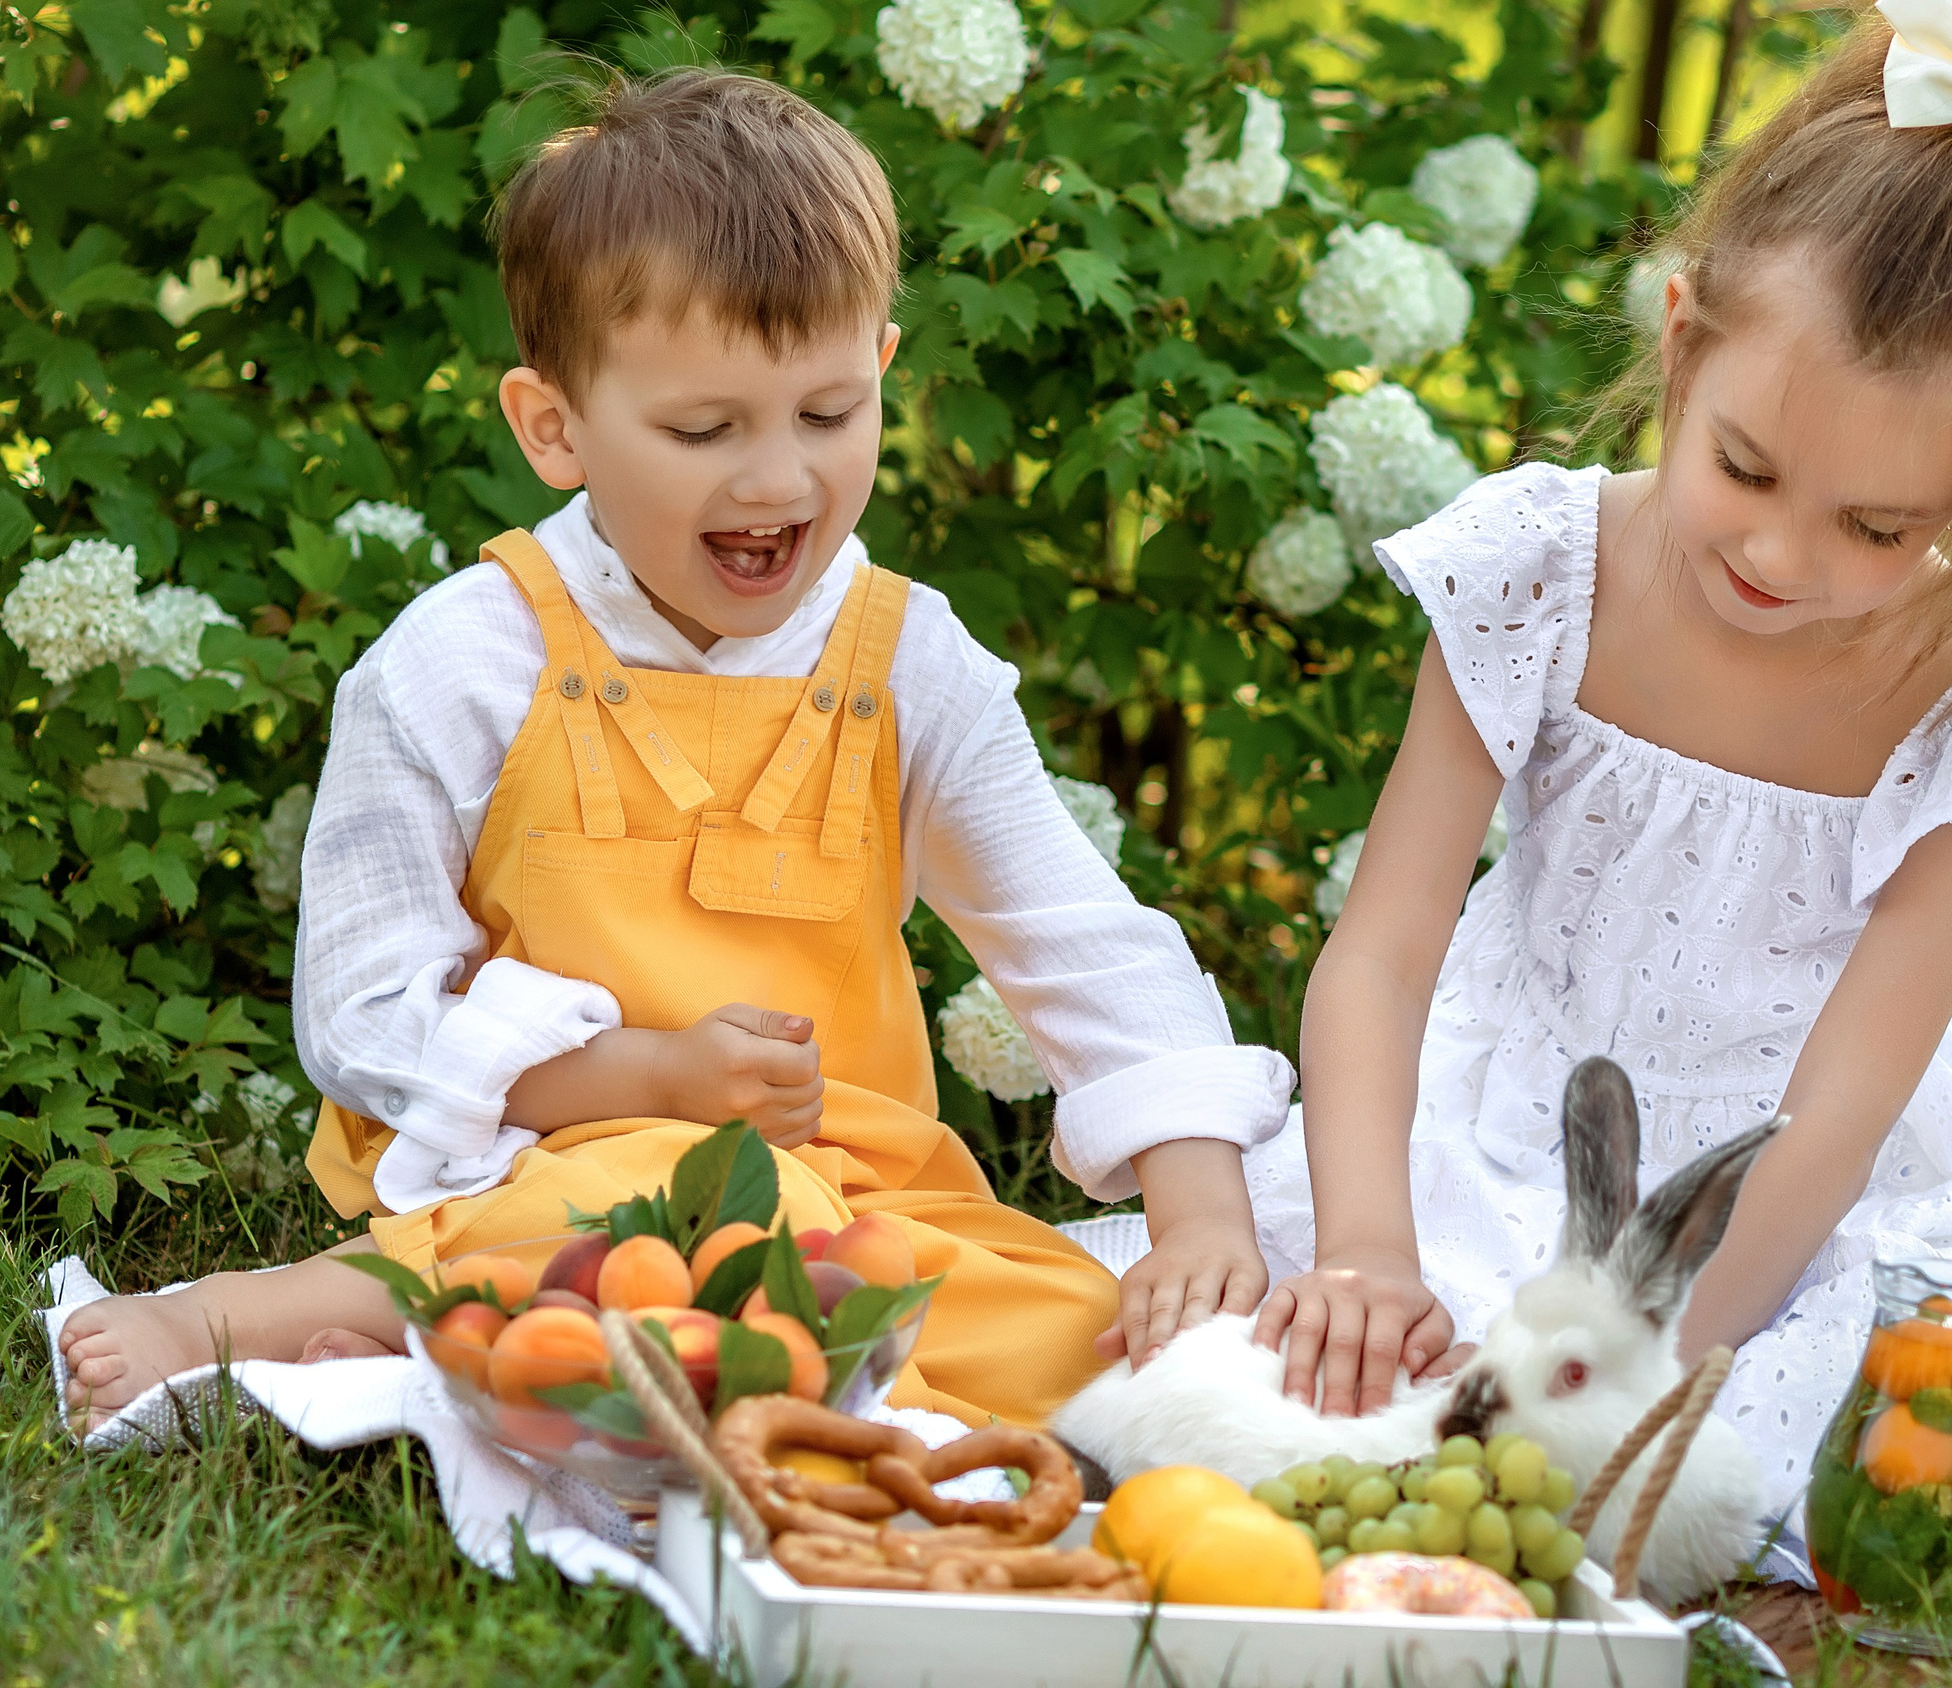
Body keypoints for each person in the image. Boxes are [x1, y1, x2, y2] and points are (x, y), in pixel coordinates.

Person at [58, 69, 1292, 1431]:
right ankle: (257, 1315)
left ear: (882, 368)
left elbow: (1081, 941)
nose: (778, 479)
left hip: (857, 1204)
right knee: (620, 1229)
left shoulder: (906, 661)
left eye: (828, 415)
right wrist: (645, 1077)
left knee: (1086, 1349)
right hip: (557, 1164)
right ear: (555, 427)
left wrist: (1195, 1217)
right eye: (705, 431)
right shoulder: (463, 661)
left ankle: (519, 1356)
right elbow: (363, 1011)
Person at [1242, 0, 1952, 1571]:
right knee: (1329, 1371)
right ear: (1683, 338)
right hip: (1530, 1100)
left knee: (1816, 1454)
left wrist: (1655, 1362)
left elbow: (1839, 1116)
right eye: (1746, 469)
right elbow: (1382, 953)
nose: (1782, 554)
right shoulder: (1540, 572)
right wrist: (1366, 1243)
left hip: (1812, 1191)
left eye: (1882, 527)